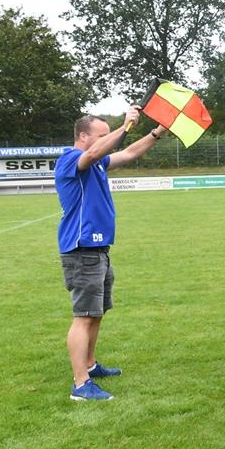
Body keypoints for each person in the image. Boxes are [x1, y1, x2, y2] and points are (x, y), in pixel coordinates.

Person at [56, 109, 167, 402]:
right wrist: (125, 126)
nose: (108, 140)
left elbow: (129, 153)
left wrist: (155, 133)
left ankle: (90, 365)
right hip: (81, 249)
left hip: (98, 249)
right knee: (83, 316)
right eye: (102, 135)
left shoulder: (98, 163)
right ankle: (81, 385)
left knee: (96, 313)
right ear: (83, 136)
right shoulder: (70, 158)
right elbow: (92, 154)